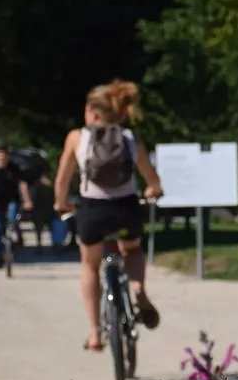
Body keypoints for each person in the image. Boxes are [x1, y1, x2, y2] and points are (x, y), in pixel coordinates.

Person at [52, 79, 164, 351]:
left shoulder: (77, 137)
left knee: (90, 266)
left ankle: (95, 334)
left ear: (93, 112)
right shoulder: (130, 139)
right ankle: (138, 289)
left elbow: (62, 180)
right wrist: (154, 189)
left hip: (92, 210)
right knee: (132, 251)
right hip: (125, 208)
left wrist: (61, 204)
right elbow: (151, 177)